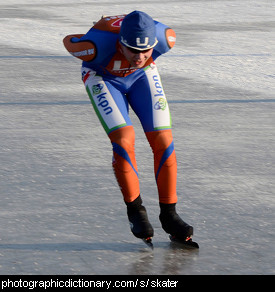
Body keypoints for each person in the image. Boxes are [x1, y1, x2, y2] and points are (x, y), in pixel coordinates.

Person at [63, 11, 194, 244]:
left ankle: (170, 214)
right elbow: (69, 41)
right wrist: (97, 30)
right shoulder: (93, 47)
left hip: (141, 77)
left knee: (164, 141)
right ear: (120, 44)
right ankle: (135, 210)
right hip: (102, 76)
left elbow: (143, 57)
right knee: (124, 139)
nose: (140, 56)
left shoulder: (166, 38)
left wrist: (137, 58)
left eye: (146, 50)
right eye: (133, 50)